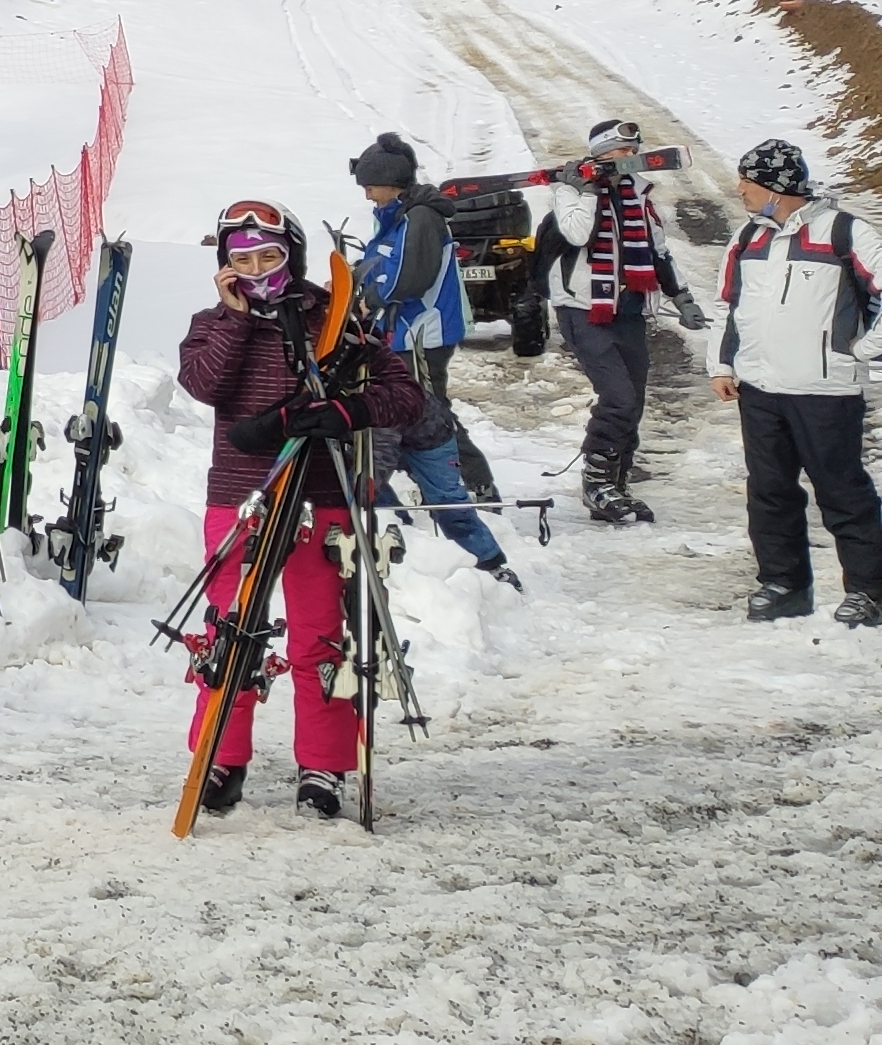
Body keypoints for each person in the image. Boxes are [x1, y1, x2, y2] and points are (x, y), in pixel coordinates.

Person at [179, 200, 426, 821]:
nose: (258, 268)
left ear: (292, 255)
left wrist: (346, 412)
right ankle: (222, 758)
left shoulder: (332, 319)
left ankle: (322, 764)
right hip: (242, 498)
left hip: (322, 496)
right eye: (242, 259)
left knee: (320, 639)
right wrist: (236, 320)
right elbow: (207, 386)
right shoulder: (210, 324)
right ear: (224, 267)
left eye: (269, 256)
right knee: (231, 635)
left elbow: (403, 393)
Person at [707, 139, 882, 626]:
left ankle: (870, 592)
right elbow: (728, 306)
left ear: (777, 188)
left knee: (843, 494)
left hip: (825, 392)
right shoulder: (747, 239)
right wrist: (723, 366)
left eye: (749, 181)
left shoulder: (844, 233)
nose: (739, 188)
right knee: (769, 492)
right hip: (760, 390)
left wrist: (863, 350)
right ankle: (783, 585)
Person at [350, 134, 518, 587]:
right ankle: (421, 507)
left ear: (391, 182)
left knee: (427, 417)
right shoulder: (395, 216)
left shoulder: (419, 218)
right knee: (412, 418)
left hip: (420, 337)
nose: (366, 193)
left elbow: (408, 277)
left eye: (371, 184)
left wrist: (368, 297)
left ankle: (470, 492)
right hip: (399, 336)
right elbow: (379, 265)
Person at [531, 116, 705, 525]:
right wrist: (587, 188)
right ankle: (596, 481)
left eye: (633, 152)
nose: (630, 159)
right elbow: (577, 234)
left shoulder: (638, 197)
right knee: (618, 397)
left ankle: (617, 479)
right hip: (583, 308)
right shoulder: (570, 190)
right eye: (622, 152)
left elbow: (658, 250)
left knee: (635, 399)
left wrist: (682, 296)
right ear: (603, 154)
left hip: (629, 308)